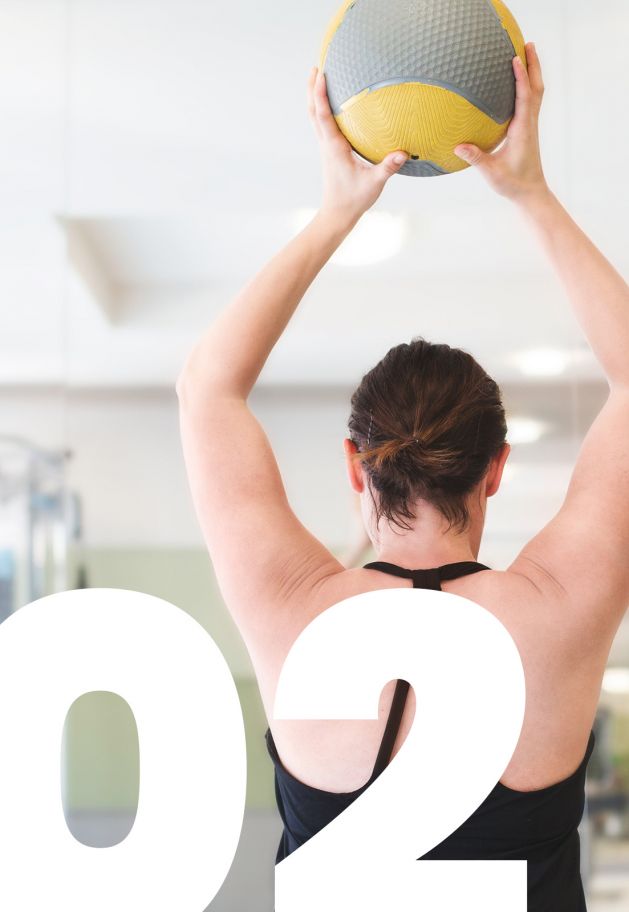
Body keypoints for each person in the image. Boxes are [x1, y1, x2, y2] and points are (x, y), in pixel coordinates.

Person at [177, 43, 629, 911]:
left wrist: (335, 211)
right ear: (495, 469)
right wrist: (527, 191)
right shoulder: (558, 609)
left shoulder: (291, 608)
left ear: (358, 466)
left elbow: (205, 389)